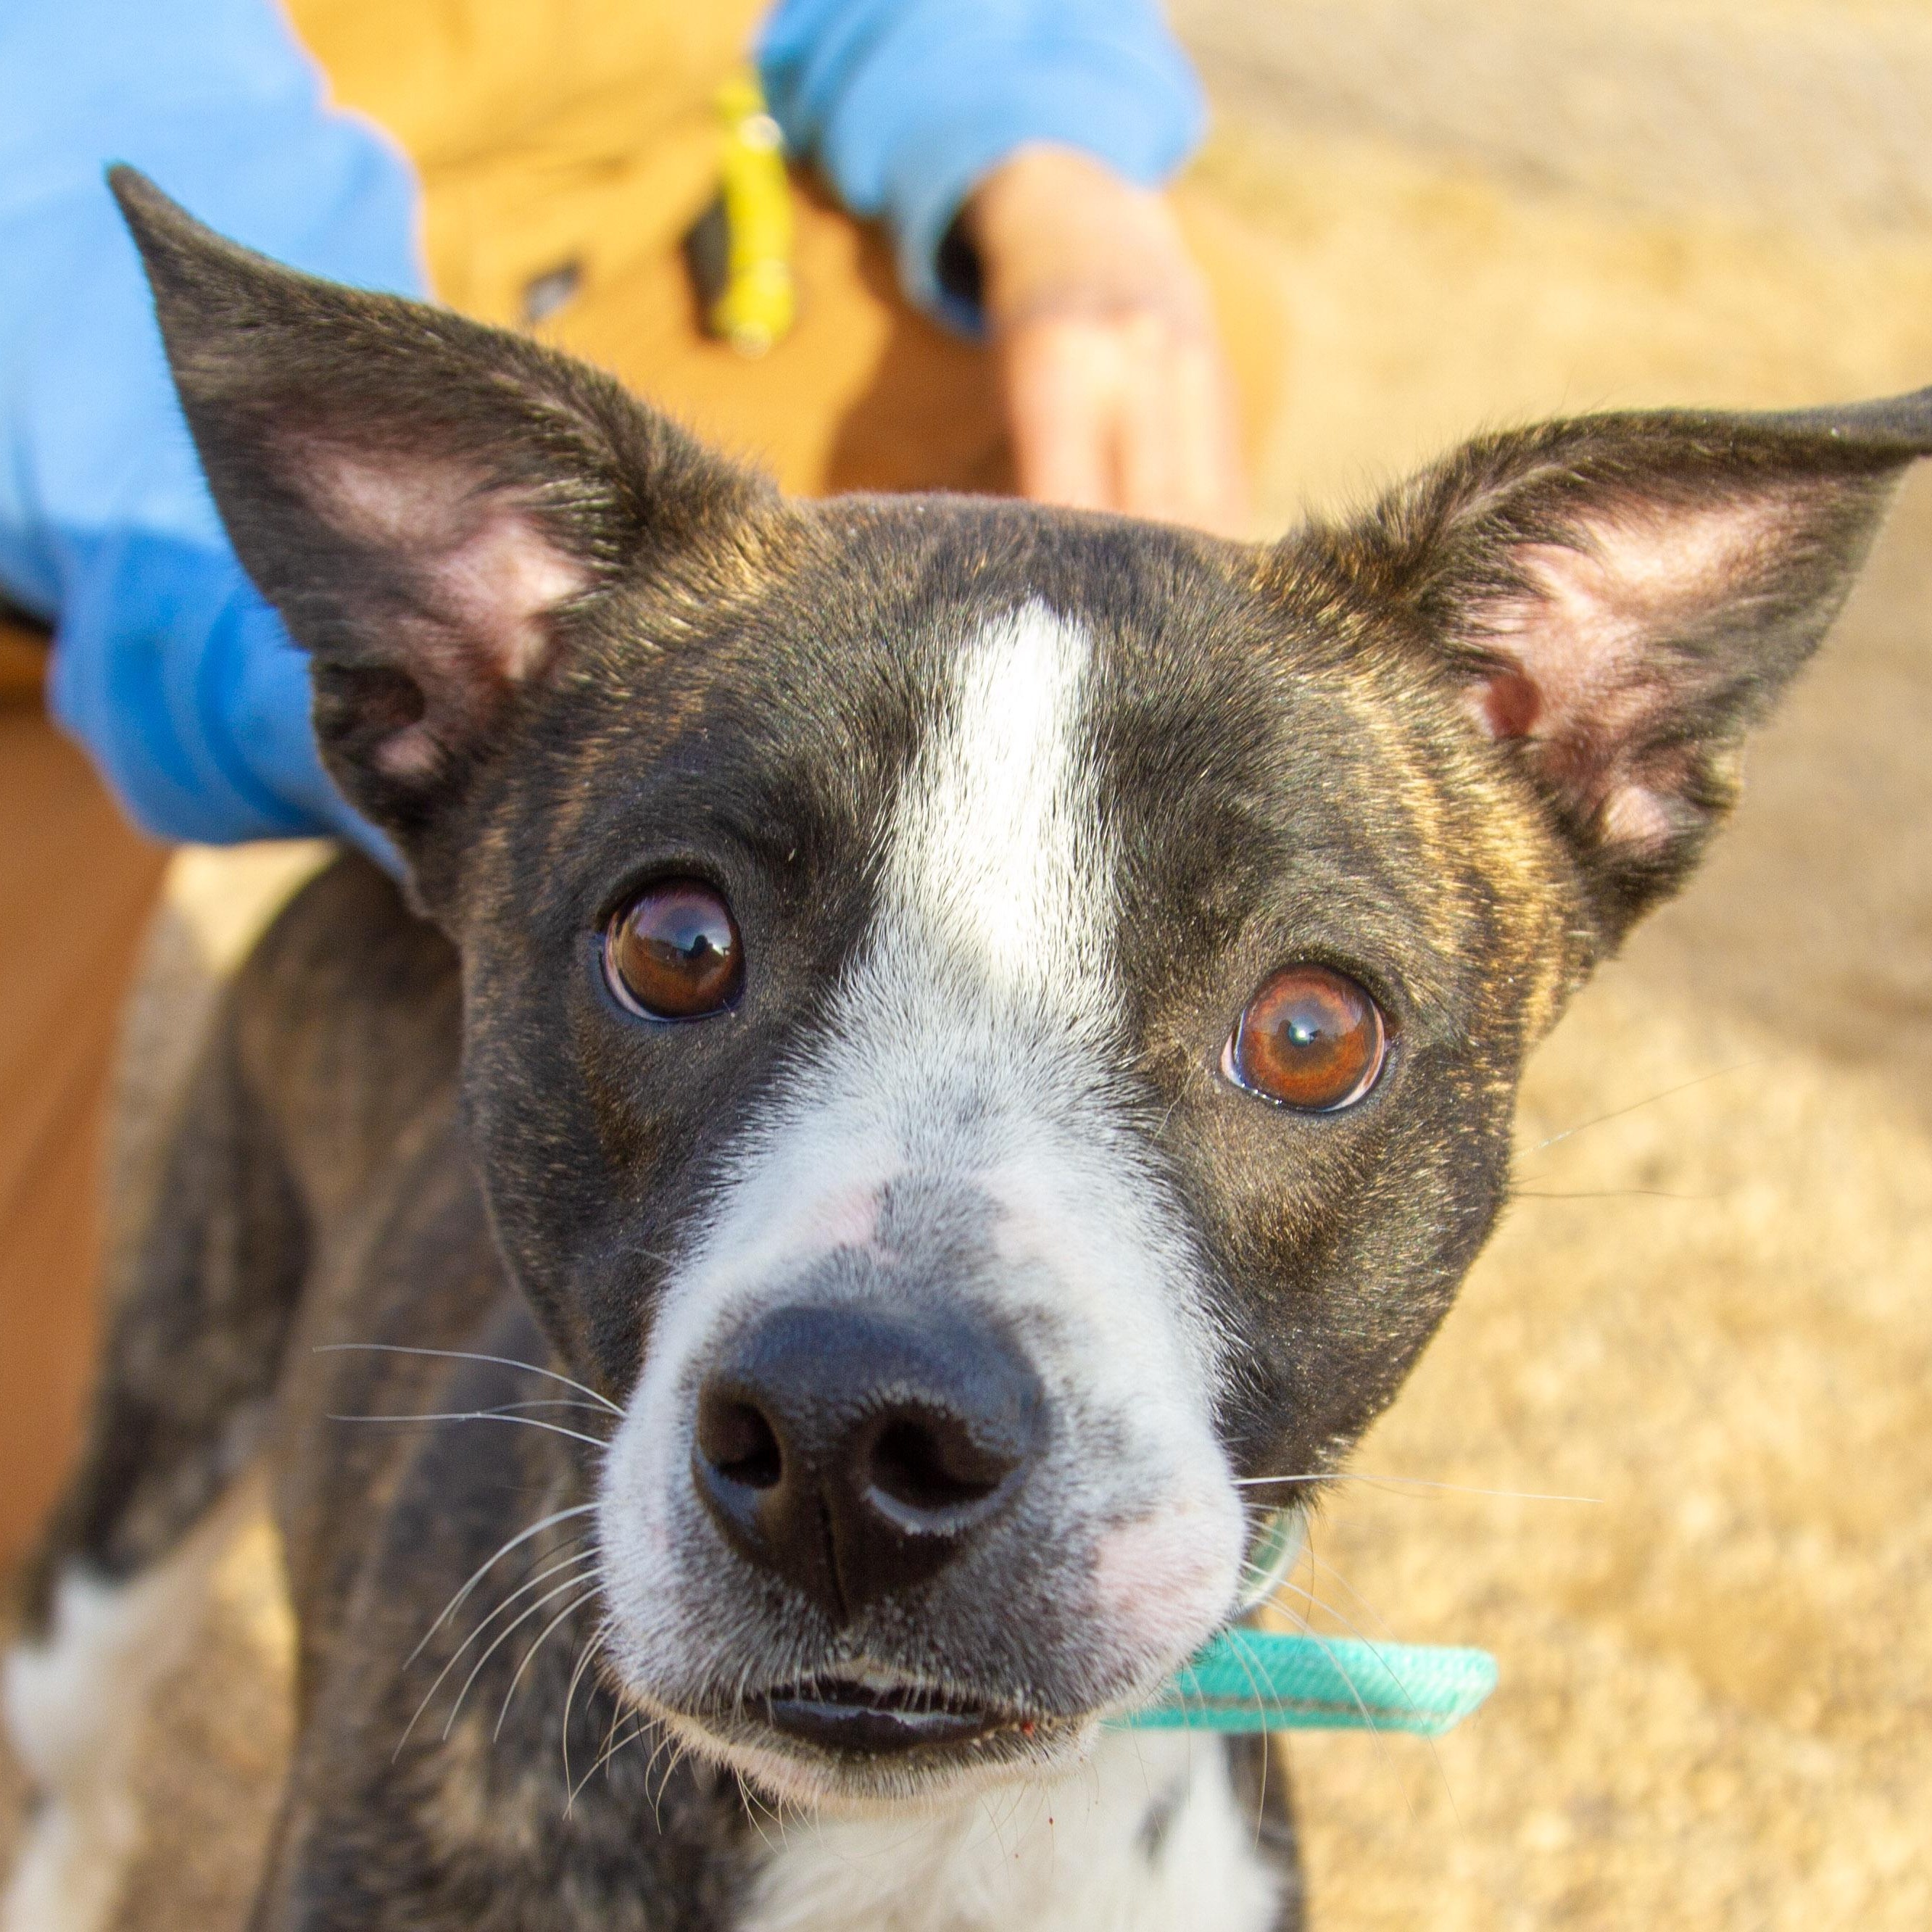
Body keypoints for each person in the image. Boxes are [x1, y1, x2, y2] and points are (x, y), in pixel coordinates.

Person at [0, 0, 1246, 866]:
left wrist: (1054, 181)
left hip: (584, 274)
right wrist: (477, 709)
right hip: (100, 454)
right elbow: (91, 302)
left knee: (1166, 320)